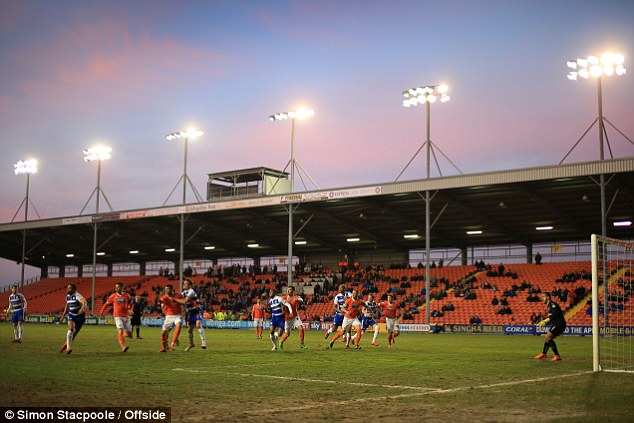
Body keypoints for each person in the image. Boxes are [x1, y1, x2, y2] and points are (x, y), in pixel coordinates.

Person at [99, 281, 133, 352]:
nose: (116, 288)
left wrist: (130, 309)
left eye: (118, 287)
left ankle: (122, 333)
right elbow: (106, 304)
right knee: (120, 330)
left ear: (122, 288)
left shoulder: (127, 295)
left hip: (126, 316)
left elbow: (131, 304)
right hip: (117, 316)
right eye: (116, 287)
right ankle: (123, 347)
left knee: (130, 335)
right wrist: (101, 312)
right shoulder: (113, 296)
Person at [534, 292, 566, 361]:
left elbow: (555, 315)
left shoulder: (552, 304)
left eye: (543, 297)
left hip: (559, 324)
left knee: (548, 337)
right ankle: (543, 353)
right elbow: (552, 317)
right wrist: (543, 322)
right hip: (556, 324)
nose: (542, 298)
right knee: (547, 338)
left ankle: (556, 355)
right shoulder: (549, 306)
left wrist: (545, 321)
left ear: (548, 297)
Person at [58, 284, 87, 355]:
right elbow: (66, 307)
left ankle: (64, 346)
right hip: (71, 315)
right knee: (71, 328)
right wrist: (62, 317)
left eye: (70, 288)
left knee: (73, 335)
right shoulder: (68, 297)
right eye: (67, 288)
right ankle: (68, 348)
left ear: (74, 290)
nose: (68, 289)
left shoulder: (77, 296)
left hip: (80, 316)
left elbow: (84, 302)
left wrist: (81, 309)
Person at [158, 284, 186, 352]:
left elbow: (183, 302)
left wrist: (175, 300)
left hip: (177, 315)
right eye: (165, 289)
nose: (166, 290)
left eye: (168, 289)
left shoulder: (178, 295)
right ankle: (164, 348)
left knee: (179, 324)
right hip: (169, 316)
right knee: (163, 333)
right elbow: (160, 301)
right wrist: (160, 301)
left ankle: (172, 343)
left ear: (171, 289)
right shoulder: (165, 297)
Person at [182, 279, 207, 352]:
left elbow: (185, 300)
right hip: (190, 312)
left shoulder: (191, 291)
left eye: (185, 284)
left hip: (197, 310)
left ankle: (203, 342)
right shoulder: (183, 293)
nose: (184, 285)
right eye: (183, 283)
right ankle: (191, 344)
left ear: (189, 285)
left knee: (198, 325)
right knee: (189, 330)